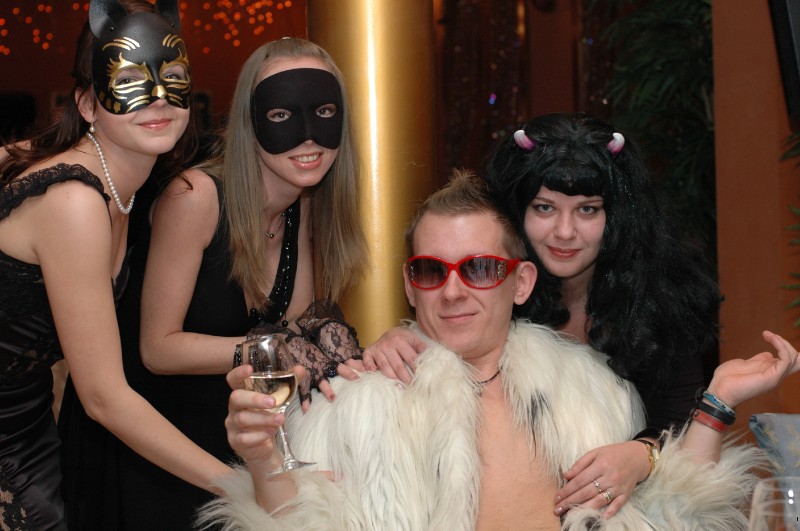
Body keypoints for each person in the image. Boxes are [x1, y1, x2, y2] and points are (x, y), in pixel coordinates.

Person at [198, 170, 796, 530]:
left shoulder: (590, 392)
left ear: (522, 282)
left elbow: (675, 517)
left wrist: (716, 403)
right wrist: (263, 459)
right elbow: (301, 522)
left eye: (480, 268)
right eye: (431, 270)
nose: (453, 291)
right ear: (410, 284)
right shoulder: (354, 400)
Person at [59, 37, 368, 529]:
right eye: (282, 115)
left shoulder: (303, 203)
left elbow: (292, 326)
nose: (309, 138)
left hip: (234, 439)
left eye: (325, 111)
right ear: (250, 121)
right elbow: (157, 349)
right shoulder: (195, 196)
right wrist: (271, 348)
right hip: (150, 450)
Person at [355, 112, 724, 516]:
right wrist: (404, 338)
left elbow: (687, 454)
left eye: (587, 210)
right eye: (545, 207)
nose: (564, 231)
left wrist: (643, 454)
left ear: (617, 216)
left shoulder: (660, 308)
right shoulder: (495, 288)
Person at [0, 1, 231, 529]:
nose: (158, 97)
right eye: (128, 80)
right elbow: (104, 397)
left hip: (29, 417)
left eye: (173, 76)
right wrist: (240, 486)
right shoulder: (75, 201)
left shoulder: (130, 179)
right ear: (87, 104)